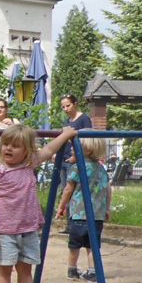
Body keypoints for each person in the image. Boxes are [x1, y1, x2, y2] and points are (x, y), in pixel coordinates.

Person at [0, 123, 79, 283]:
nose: (8, 148)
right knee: (5, 268)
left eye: (15, 146)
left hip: (28, 228)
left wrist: (66, 134)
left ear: (26, 150)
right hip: (7, 229)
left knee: (26, 268)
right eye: (6, 144)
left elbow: (50, 149)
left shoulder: (29, 164)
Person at [56, 137, 111, 282]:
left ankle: (72, 269)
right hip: (96, 215)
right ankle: (92, 272)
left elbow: (68, 189)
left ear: (87, 150)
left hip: (79, 214)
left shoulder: (78, 167)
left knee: (74, 245)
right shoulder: (101, 169)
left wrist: (61, 206)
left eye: (75, 146)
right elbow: (107, 190)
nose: (72, 149)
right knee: (92, 246)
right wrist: (106, 208)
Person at [56, 94, 93, 232]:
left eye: (68, 105)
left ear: (75, 104)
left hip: (76, 159)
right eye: (63, 107)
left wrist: (76, 157)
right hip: (65, 159)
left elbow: (87, 139)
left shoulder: (84, 119)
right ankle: (69, 225)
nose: (65, 109)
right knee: (65, 190)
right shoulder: (67, 121)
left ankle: (77, 223)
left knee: (74, 190)